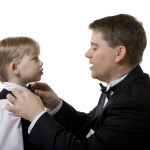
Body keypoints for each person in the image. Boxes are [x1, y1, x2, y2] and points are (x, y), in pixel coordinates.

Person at [6, 14, 150, 150]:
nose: (87, 54)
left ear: (119, 53)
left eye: (95, 47)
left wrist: (36, 116)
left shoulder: (134, 102)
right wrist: (57, 105)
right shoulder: (123, 88)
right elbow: (91, 126)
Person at [0, 37, 43, 150]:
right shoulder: (6, 106)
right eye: (35, 58)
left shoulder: (34, 95)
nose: (41, 62)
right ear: (15, 67)